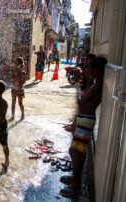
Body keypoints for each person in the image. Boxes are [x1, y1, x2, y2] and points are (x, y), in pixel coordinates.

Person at [60, 57, 107, 197]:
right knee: (76, 151)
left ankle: (76, 185)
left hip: (87, 120)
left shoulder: (97, 85)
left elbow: (82, 101)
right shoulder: (96, 84)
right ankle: (75, 179)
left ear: (96, 70)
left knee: (76, 152)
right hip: (85, 119)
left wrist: (89, 82)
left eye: (90, 68)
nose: (87, 71)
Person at [63, 53, 96, 132]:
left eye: (87, 59)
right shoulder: (86, 69)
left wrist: (86, 95)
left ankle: (74, 126)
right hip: (83, 91)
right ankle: (73, 125)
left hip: (85, 91)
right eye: (85, 59)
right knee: (80, 110)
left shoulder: (89, 71)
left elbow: (89, 82)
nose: (85, 61)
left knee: (81, 110)